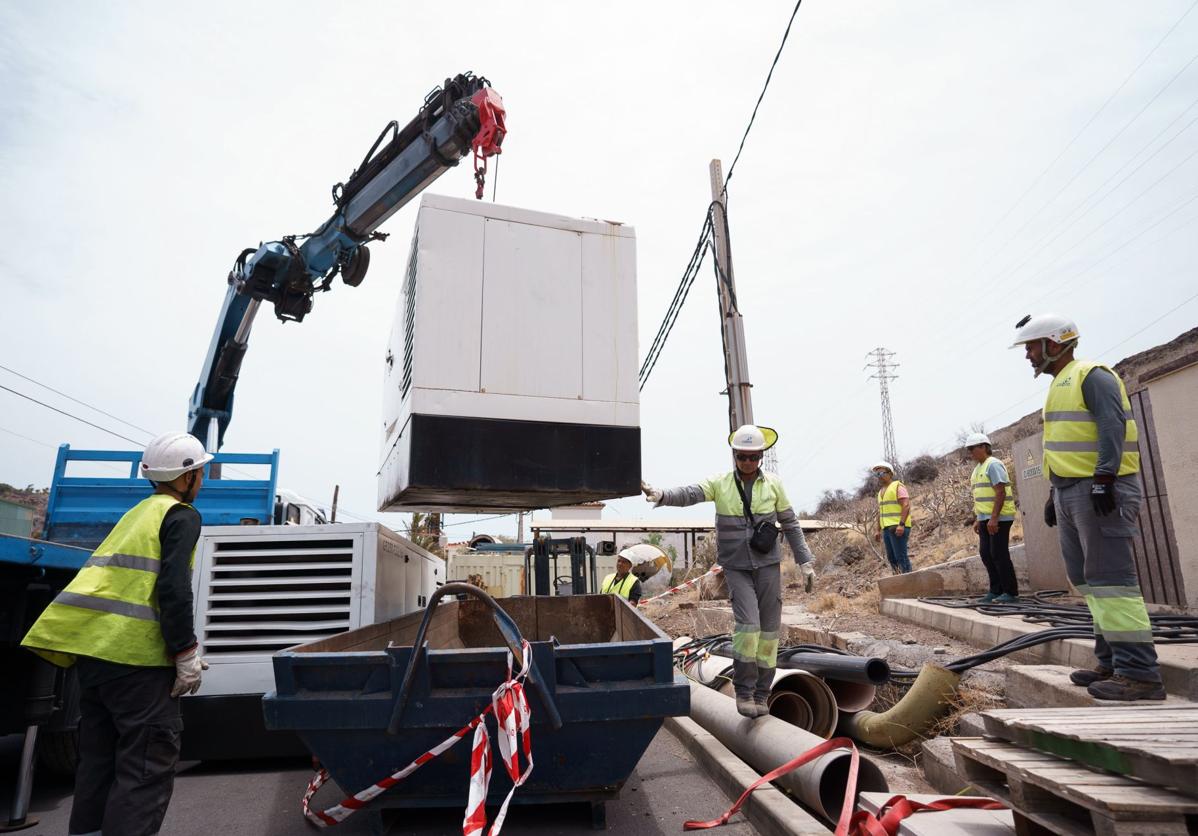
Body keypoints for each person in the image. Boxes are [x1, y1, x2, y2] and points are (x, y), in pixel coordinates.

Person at [22, 432, 212, 835]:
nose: (203, 478)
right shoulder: (181, 516)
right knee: (144, 769)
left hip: (95, 661)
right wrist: (185, 653)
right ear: (185, 479)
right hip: (139, 665)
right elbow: (173, 588)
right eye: (200, 471)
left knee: (98, 763)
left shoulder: (137, 514)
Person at [1011, 313, 1163, 701]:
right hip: (1071, 491)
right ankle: (1111, 661)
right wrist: (1053, 493)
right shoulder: (1059, 384)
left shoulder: (1092, 375)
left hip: (1100, 491)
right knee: (1089, 581)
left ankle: (1140, 674)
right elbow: (1067, 445)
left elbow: (1112, 427)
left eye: (1031, 346)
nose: (1027, 355)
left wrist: (1104, 478)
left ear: (1054, 344)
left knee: (1112, 582)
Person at [642, 424, 817, 718]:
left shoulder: (773, 484)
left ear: (761, 456)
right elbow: (689, 493)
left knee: (770, 631)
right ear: (734, 456)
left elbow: (791, 523)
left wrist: (805, 561)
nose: (747, 462)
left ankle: (763, 693)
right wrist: (661, 494)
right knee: (748, 626)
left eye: (753, 457)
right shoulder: (720, 483)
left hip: (767, 566)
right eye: (742, 457)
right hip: (736, 567)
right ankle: (744, 690)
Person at [965, 432, 1018, 603]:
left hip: (1000, 517)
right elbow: (980, 496)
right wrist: (978, 519)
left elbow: (1000, 492)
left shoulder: (993, 465)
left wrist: (994, 518)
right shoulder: (977, 469)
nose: (970, 452)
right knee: (986, 553)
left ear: (983, 447)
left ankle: (1010, 592)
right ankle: (996, 590)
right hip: (985, 518)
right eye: (969, 449)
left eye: (972, 448)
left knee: (999, 553)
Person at [872, 462, 912, 574]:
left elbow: (906, 505)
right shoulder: (880, 493)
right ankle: (899, 583)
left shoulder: (897, 486)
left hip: (898, 527)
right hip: (887, 529)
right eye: (877, 474)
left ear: (890, 473)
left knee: (901, 557)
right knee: (892, 558)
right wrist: (877, 530)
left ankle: (911, 585)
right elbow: (881, 512)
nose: (879, 476)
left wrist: (901, 525)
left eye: (881, 473)